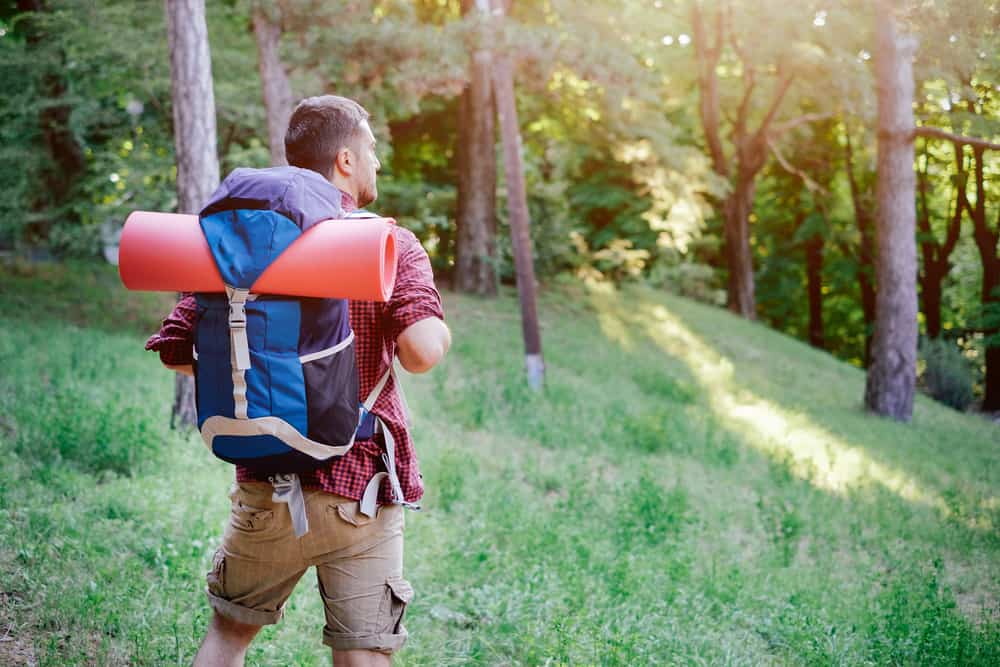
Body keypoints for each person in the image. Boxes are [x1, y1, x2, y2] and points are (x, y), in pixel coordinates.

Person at [145, 95, 451, 667]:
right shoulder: (388, 243)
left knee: (228, 636)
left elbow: (175, 353)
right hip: (358, 488)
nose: (377, 164)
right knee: (364, 655)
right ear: (344, 161)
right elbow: (421, 352)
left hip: (266, 482)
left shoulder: (237, 245)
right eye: (373, 152)